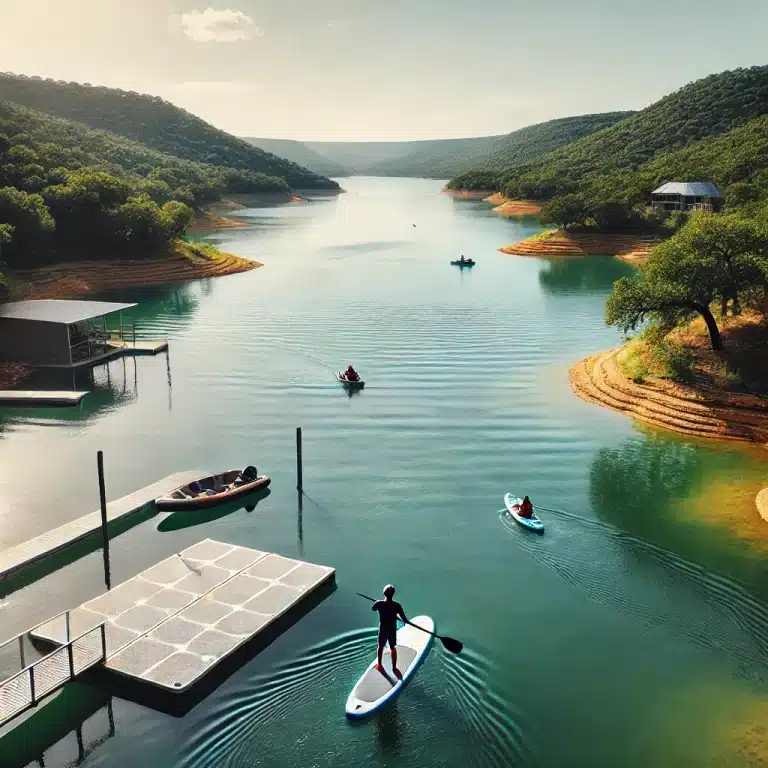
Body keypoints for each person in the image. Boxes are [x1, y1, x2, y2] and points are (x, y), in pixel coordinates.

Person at [372, 584, 407, 678]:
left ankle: (379, 664)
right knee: (392, 647)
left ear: (384, 593)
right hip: (392, 630)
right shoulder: (397, 606)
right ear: (393, 594)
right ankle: (394, 668)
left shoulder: (379, 603)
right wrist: (396, 616)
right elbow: (405, 620)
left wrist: (376, 602)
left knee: (380, 647)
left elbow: (373, 609)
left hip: (383, 629)